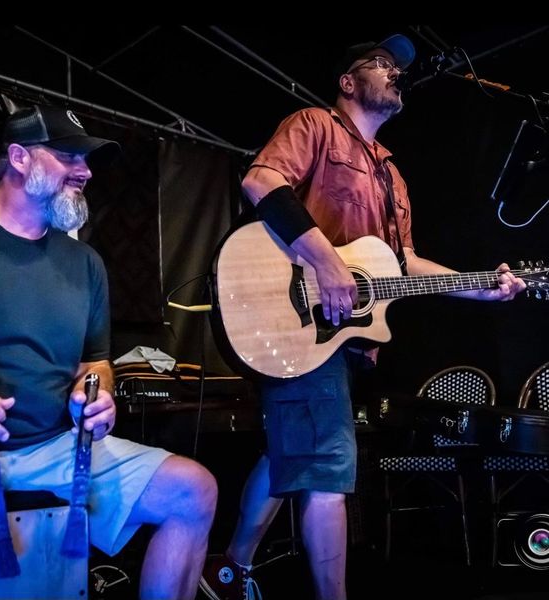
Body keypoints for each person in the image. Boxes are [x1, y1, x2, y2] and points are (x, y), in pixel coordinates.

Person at [200, 34, 526, 600]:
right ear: (348, 82)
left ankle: (228, 570)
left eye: (398, 66)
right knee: (329, 463)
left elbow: (404, 264)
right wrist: (327, 264)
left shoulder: (392, 176)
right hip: (300, 316)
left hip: (341, 339)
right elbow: (260, 181)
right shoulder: (314, 125)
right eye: (381, 63)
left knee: (290, 453)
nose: (395, 71)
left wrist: (480, 288)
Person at [0, 104, 217, 600]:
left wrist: (96, 392)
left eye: (86, 160)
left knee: (193, 491)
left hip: (54, 445)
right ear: (19, 158)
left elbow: (95, 362)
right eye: (69, 156)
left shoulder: (85, 264)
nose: (86, 171)